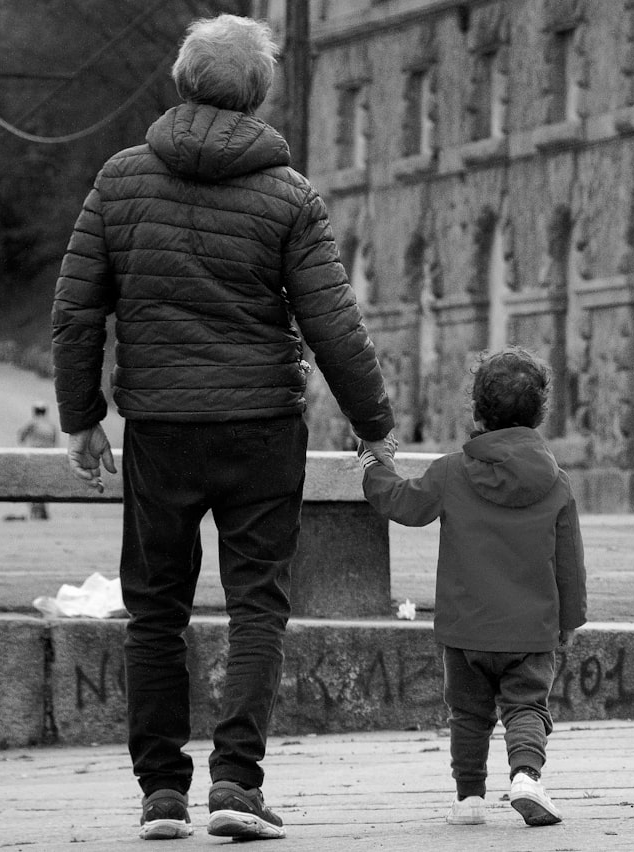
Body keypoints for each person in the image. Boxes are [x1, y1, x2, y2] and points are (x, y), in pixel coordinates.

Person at [51, 14, 396, 842]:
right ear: (259, 94)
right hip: (259, 430)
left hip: (162, 427)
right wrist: (374, 425)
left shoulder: (121, 179)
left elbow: (76, 311)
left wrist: (82, 419)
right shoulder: (288, 195)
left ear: (182, 81)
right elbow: (332, 322)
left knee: (156, 610)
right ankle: (236, 785)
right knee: (256, 609)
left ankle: (161, 795)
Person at [359, 347, 587, 828]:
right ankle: (526, 775)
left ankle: (468, 800)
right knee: (526, 705)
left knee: (467, 714)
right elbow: (570, 563)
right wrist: (571, 621)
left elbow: (404, 504)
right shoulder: (557, 483)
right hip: (531, 628)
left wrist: (372, 468)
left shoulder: (451, 472)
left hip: (464, 630)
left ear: (478, 412)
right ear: (540, 414)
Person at [17, 401, 58, 519]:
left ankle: (35, 509)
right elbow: (55, 443)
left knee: (32, 482)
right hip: (48, 458)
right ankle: (42, 508)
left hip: (34, 457)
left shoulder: (32, 424)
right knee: (44, 482)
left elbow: (21, 438)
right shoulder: (51, 425)